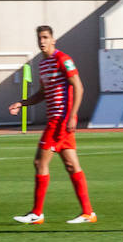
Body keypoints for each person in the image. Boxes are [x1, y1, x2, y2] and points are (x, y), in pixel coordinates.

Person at [8, 25, 96, 226]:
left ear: (53, 40)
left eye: (46, 37)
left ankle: (37, 213)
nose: (42, 41)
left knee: (40, 163)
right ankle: (88, 212)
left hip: (60, 120)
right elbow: (42, 93)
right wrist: (22, 103)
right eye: (39, 38)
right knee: (71, 165)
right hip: (55, 119)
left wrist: (73, 115)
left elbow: (79, 87)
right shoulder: (43, 64)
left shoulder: (63, 59)